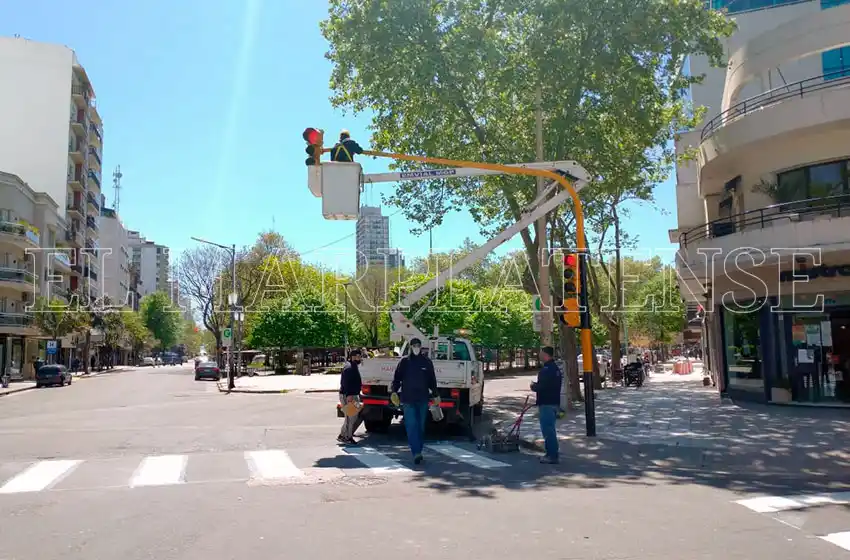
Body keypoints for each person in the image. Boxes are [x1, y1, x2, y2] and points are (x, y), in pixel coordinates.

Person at [391, 338, 438, 465]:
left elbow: (432, 380)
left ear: (421, 347)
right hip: (408, 399)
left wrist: (435, 394)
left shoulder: (426, 362)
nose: (416, 347)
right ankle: (416, 452)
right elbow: (397, 378)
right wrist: (394, 391)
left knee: (420, 426)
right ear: (410, 347)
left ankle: (419, 449)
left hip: (422, 399)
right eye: (414, 345)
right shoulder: (404, 362)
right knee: (411, 425)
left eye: (418, 345)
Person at [530, 346, 562, 464]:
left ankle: (552, 455)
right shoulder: (555, 369)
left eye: (541, 353)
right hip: (554, 402)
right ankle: (552, 453)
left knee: (548, 430)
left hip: (547, 403)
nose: (539, 355)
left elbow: (542, 387)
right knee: (550, 429)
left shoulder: (546, 370)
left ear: (546, 355)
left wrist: (533, 386)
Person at [338, 349, 364, 444]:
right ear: (353, 357)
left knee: (353, 416)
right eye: (358, 356)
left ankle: (343, 435)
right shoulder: (349, 368)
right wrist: (349, 395)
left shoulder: (353, 366)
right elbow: (346, 383)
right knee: (351, 416)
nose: (360, 358)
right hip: (349, 395)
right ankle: (347, 437)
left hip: (353, 394)